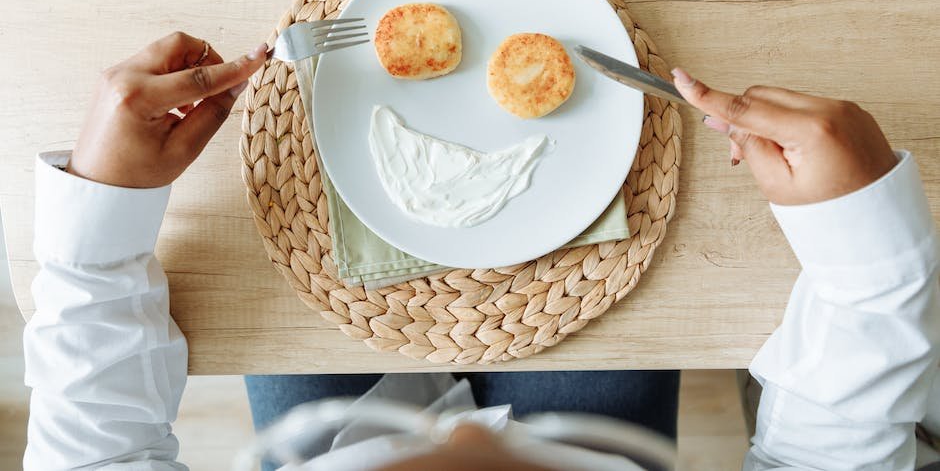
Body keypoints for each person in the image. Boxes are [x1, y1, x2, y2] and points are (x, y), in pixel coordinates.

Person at [21, 32, 939, 470]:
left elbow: (95, 451)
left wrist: (103, 213)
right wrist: (863, 245)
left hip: (336, 444)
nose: (461, 445)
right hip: (592, 444)